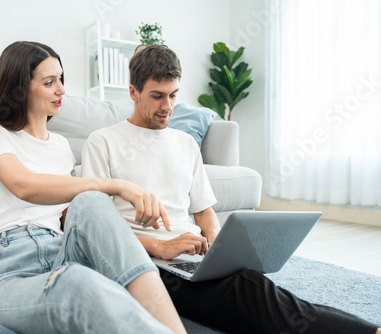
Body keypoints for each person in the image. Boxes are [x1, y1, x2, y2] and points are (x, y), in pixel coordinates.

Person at [81, 44, 381, 334]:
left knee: (253, 285)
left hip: (191, 258)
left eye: (173, 95)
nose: (167, 106)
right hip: (146, 263)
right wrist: (158, 246)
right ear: (133, 92)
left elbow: (203, 212)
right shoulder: (103, 141)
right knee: (253, 294)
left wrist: (217, 246)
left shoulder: (184, 143)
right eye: (157, 96)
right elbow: (94, 228)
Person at [0, 41, 188, 334]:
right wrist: (117, 186)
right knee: (77, 283)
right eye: (49, 82)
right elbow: (24, 186)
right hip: (5, 272)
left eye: (61, 79)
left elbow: (74, 216)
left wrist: (154, 244)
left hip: (60, 252)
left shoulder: (61, 146)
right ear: (21, 87)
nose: (62, 89)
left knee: (90, 202)